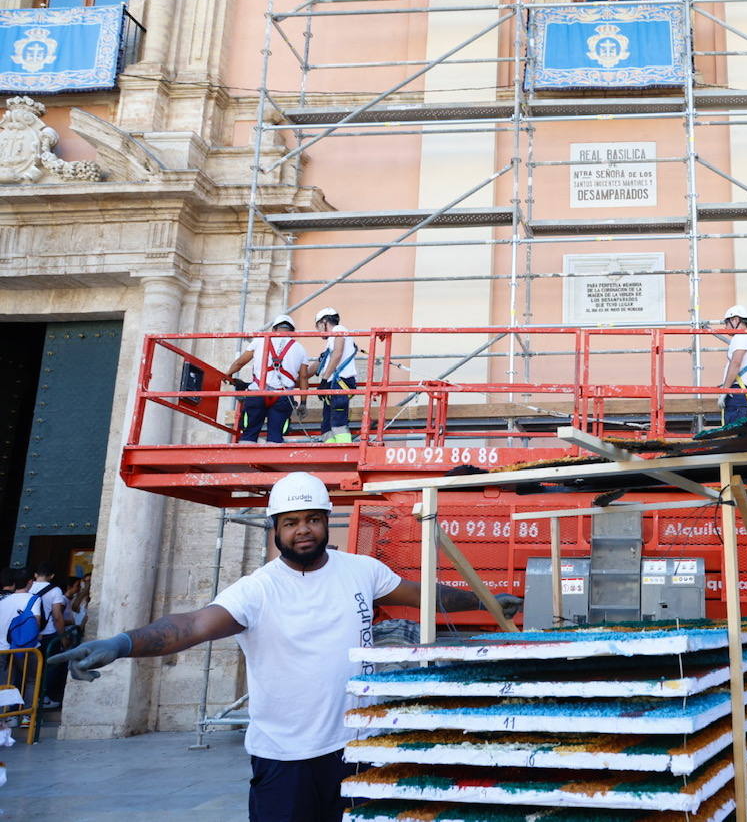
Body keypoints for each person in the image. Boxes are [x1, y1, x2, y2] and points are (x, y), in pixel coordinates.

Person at [51, 471, 522, 822]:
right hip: (285, 758)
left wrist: (485, 599)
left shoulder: (361, 570)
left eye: (314, 520)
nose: (304, 530)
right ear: (276, 527)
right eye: (292, 521)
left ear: (326, 522)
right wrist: (122, 642)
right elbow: (191, 624)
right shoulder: (257, 590)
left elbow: (425, 596)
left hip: (359, 745)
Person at [227, 314, 309, 444]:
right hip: (283, 396)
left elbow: (240, 363)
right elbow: (304, 377)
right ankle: (272, 459)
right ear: (292, 331)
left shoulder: (260, 341)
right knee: (276, 436)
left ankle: (245, 458)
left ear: (274, 329)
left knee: (250, 433)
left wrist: (228, 374)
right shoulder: (300, 349)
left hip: (258, 393)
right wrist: (303, 403)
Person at [310, 307, 359, 444]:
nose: (318, 330)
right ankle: (330, 448)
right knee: (327, 425)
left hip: (339, 382)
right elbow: (316, 366)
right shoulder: (330, 342)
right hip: (334, 383)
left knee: (338, 420)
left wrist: (324, 380)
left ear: (324, 322)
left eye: (318, 326)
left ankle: (344, 448)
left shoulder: (338, 330)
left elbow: (337, 354)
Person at [717, 304, 747, 426]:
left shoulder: (740, 337)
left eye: (727, 322)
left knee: (734, 434)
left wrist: (725, 390)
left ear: (735, 320)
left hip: (739, 393)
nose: (725, 326)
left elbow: (736, 363)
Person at [31, 562, 65, 710]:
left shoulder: (27, 587)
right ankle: (45, 698)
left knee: (30, 668)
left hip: (30, 636)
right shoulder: (55, 590)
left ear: (35, 575)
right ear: (52, 576)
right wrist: (63, 636)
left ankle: (28, 701)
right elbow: (57, 615)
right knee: (51, 665)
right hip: (49, 634)